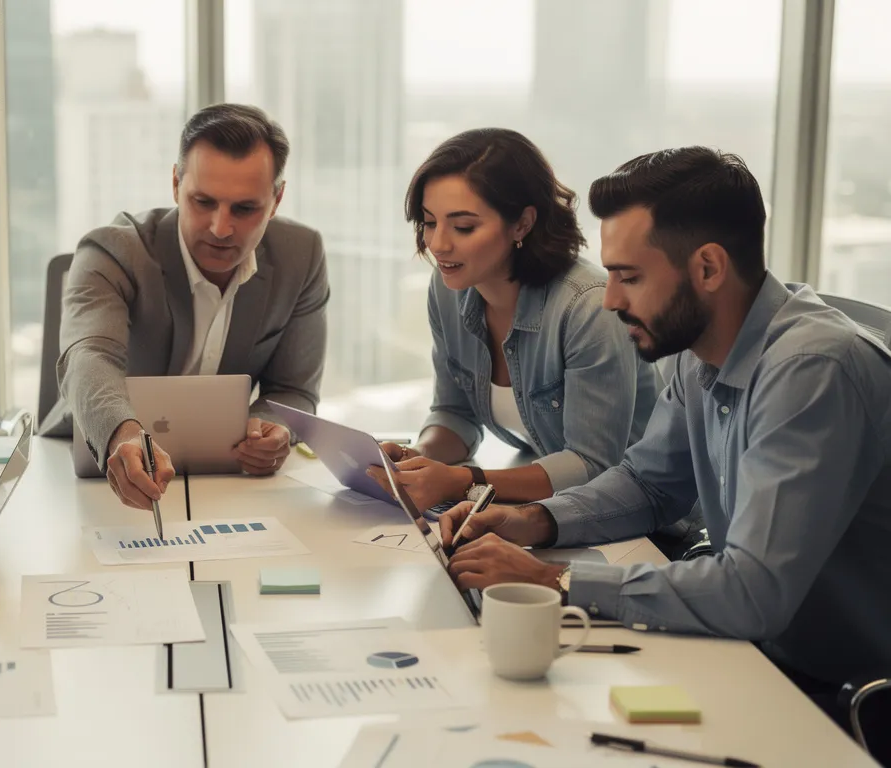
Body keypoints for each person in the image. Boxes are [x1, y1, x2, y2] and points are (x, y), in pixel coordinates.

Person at [435, 146, 891, 727]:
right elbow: (649, 485)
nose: (610, 299)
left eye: (629, 276)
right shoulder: (702, 348)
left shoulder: (812, 369)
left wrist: (553, 579)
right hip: (759, 659)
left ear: (707, 268)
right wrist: (533, 519)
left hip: (844, 698)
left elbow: (751, 593)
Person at [44, 103, 330, 510]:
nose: (220, 228)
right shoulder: (112, 250)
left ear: (277, 198)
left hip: (234, 487)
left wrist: (276, 428)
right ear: (176, 184)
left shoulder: (301, 255)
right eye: (203, 202)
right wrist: (122, 434)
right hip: (96, 473)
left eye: (245, 209)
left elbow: (295, 391)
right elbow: (89, 355)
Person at [367, 128, 659, 512]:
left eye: (464, 227)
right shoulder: (448, 287)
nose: (438, 244)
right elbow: (456, 413)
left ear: (522, 224)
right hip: (548, 510)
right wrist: (417, 460)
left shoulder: (588, 309)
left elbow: (593, 467)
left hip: (639, 521)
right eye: (429, 222)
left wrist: (460, 482)